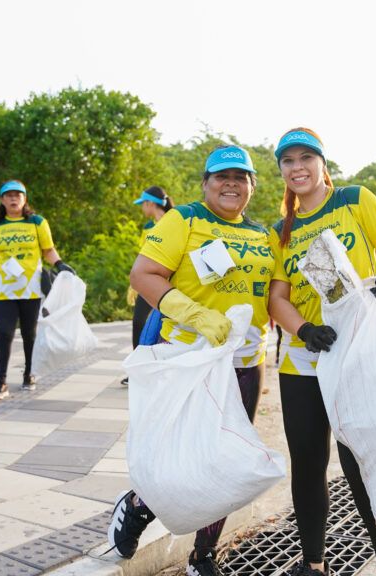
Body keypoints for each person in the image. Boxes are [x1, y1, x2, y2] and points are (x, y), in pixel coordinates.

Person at [106, 145, 273, 576]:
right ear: (205, 183)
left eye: (241, 177)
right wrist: (195, 314)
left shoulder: (263, 235)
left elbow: (276, 294)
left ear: (253, 186)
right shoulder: (186, 220)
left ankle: (203, 555)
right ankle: (141, 505)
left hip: (243, 362)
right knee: (178, 454)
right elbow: (143, 275)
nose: (231, 183)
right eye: (222, 176)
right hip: (187, 359)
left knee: (223, 461)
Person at [268, 128, 376, 576]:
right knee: (308, 465)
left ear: (322, 163)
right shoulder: (281, 231)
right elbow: (277, 298)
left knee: (362, 461)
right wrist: (304, 328)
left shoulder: (355, 199)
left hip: (358, 352)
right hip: (303, 359)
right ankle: (314, 565)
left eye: (305, 157)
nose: (297, 168)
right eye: (287, 161)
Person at [0, 180, 75, 400]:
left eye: (18, 195)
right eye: (9, 195)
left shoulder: (37, 222)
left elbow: (48, 250)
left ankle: (29, 373)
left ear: (25, 199)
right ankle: (0, 382)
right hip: (4, 290)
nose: (13, 199)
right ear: (2, 200)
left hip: (31, 289)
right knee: (4, 334)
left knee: (29, 334)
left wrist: (59, 264)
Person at [122, 186, 176, 385]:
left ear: (149, 203)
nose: (142, 208)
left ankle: (159, 370)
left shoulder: (174, 222)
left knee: (165, 328)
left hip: (169, 286)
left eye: (142, 204)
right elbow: (142, 255)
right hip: (147, 283)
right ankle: (138, 371)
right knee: (139, 324)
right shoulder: (147, 227)